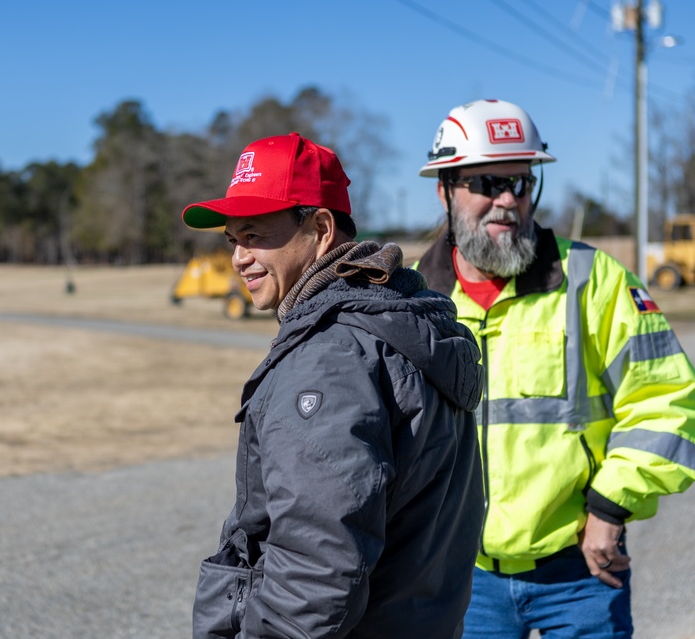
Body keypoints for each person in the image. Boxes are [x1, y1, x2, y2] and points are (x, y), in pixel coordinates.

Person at [185, 132, 485, 638]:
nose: (239, 257)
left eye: (255, 235)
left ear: (321, 228)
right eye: (233, 239)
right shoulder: (400, 324)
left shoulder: (331, 358)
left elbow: (316, 573)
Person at [415, 99, 695, 638]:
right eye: (487, 183)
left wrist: (613, 508)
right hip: (457, 579)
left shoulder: (595, 280)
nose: (506, 201)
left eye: (521, 183)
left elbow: (668, 401)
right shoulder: (410, 298)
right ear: (444, 189)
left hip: (581, 575)